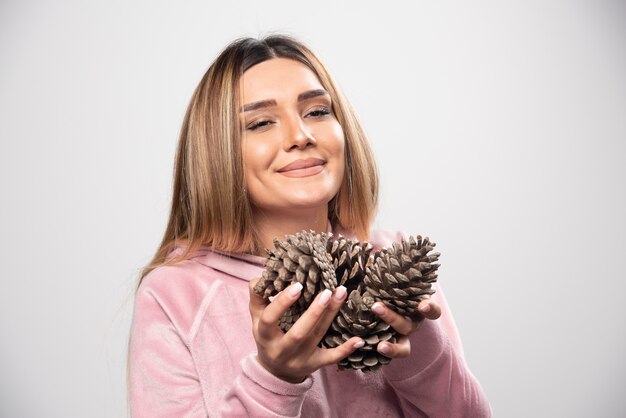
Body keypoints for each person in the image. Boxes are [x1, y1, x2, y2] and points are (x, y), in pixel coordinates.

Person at [128, 34, 491, 417]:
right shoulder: (173, 296)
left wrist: (419, 349)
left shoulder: (395, 263)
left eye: (317, 112)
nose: (301, 136)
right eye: (261, 122)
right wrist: (274, 378)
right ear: (217, 151)